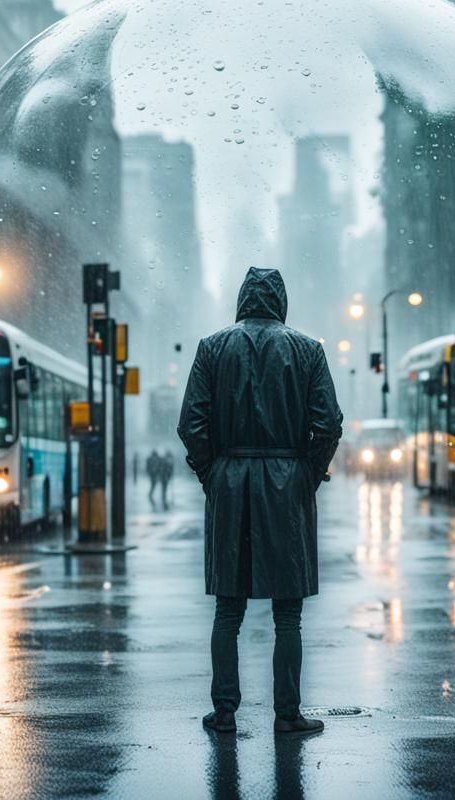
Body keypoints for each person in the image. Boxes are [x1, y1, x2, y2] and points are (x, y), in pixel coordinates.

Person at [178, 267, 343, 736]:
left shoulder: (212, 348)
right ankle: (287, 713)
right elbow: (328, 424)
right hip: (286, 483)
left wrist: (212, 473)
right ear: (280, 302)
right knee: (287, 612)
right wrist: (306, 474)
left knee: (228, 609)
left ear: (242, 300)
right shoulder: (307, 350)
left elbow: (192, 425)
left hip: (230, 483)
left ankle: (225, 711)